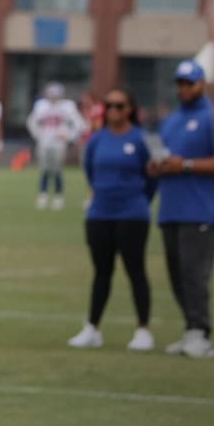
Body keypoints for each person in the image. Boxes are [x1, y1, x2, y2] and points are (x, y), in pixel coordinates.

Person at [67, 88, 156, 351]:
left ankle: (143, 330)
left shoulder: (142, 139)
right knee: (102, 272)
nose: (113, 110)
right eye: (109, 106)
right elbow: (91, 172)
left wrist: (139, 201)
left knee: (135, 271)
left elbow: (152, 177)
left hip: (133, 215)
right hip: (100, 214)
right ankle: (92, 328)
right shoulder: (97, 139)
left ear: (130, 109)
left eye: (119, 105)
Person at [148, 59, 214, 358]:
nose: (184, 88)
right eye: (180, 83)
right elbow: (167, 158)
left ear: (202, 84)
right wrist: (158, 166)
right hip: (171, 208)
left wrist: (186, 165)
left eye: (189, 83)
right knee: (177, 274)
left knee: (194, 274)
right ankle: (190, 328)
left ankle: (201, 333)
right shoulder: (172, 119)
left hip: (201, 209)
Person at [27, 82, 86, 210]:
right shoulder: (41, 105)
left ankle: (58, 197)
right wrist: (38, 135)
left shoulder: (67, 106)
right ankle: (42, 195)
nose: (53, 97)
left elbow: (79, 123)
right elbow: (31, 122)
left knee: (58, 170)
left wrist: (69, 136)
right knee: (45, 169)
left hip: (59, 143)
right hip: (44, 142)